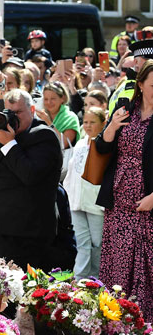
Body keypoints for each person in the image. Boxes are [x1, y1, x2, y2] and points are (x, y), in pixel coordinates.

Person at [0, 89, 62, 270]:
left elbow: (30, 175)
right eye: (8, 113)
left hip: (27, 233)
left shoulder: (44, 136)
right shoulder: (2, 131)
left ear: (32, 110)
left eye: (18, 112)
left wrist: (10, 144)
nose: (13, 118)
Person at [96, 60, 153, 322]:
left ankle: (144, 322)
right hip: (118, 199)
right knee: (118, 261)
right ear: (140, 85)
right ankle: (115, 320)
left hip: (147, 202)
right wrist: (110, 128)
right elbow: (103, 149)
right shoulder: (124, 110)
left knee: (145, 266)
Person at [63, 107, 106, 279]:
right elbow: (71, 172)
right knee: (82, 244)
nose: (88, 126)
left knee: (97, 244)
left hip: (96, 205)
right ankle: (79, 281)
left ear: (103, 124)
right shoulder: (80, 143)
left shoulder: (105, 145)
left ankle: (95, 281)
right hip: (76, 203)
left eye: (92, 122)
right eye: (85, 122)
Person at [37, 82, 80, 149]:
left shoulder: (70, 118)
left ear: (62, 98)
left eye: (53, 99)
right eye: (46, 99)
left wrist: (49, 123)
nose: (49, 102)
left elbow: (63, 144)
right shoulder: (39, 116)